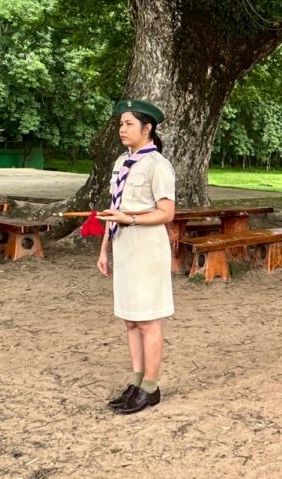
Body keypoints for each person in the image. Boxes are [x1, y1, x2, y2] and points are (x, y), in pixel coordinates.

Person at [96, 99, 176, 415]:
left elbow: (167, 212)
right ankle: (136, 381)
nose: (122, 129)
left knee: (148, 320)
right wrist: (104, 248)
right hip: (124, 246)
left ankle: (151, 388)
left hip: (147, 248)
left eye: (129, 123)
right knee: (130, 319)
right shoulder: (122, 162)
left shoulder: (158, 165)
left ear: (147, 128)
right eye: (121, 124)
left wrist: (130, 219)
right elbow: (113, 208)